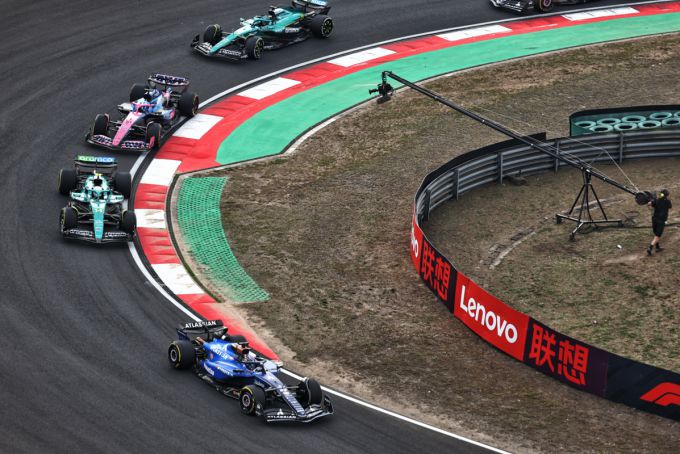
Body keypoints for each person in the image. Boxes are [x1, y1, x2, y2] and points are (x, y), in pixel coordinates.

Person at [647, 189, 672, 255]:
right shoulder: (667, 201)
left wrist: (651, 202)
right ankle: (650, 248)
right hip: (661, 221)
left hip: (654, 219)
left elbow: (649, 205)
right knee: (657, 236)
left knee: (656, 234)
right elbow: (670, 206)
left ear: (661, 194)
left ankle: (657, 247)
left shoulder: (656, 200)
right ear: (666, 195)